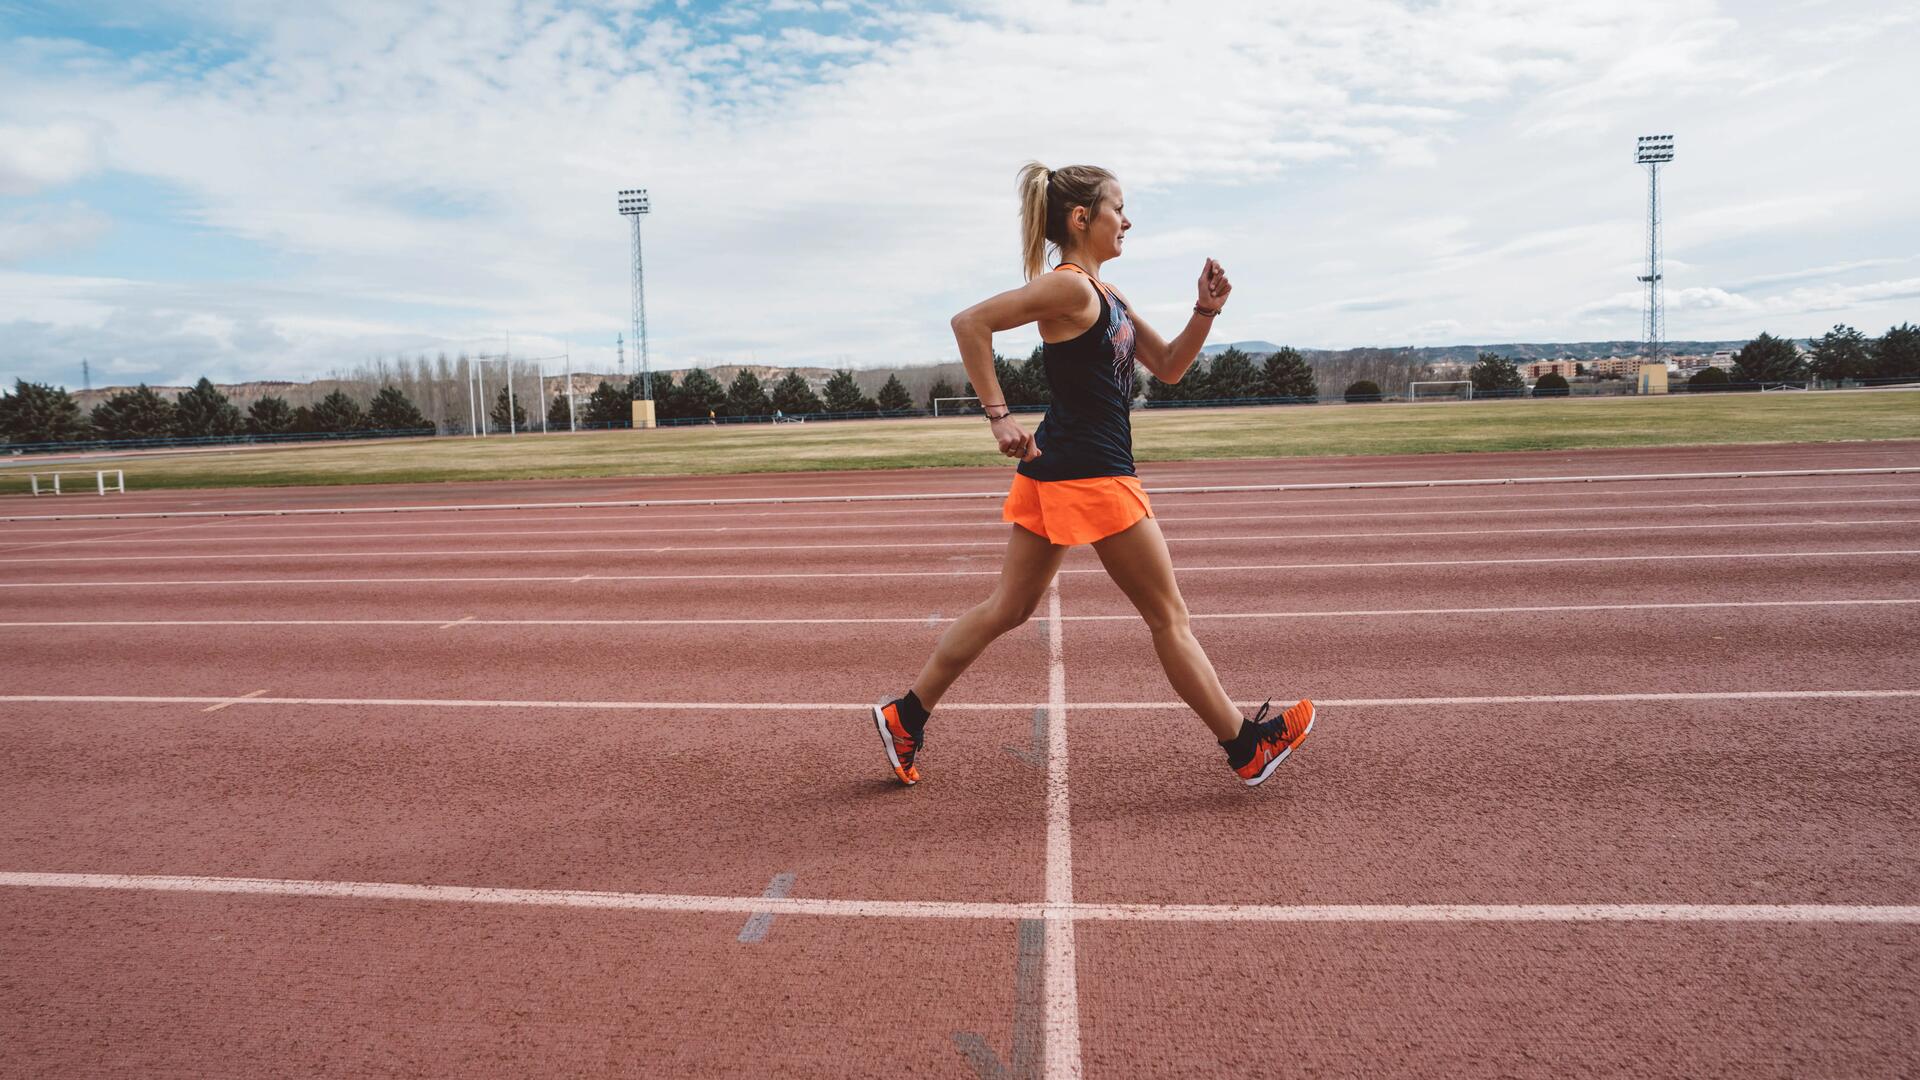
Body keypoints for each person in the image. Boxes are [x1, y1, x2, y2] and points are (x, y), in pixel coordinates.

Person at [871, 162, 1315, 788]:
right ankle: (1246, 747)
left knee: (1009, 607)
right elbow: (970, 323)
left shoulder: (1111, 297)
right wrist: (998, 418)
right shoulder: (1071, 288)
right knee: (1169, 618)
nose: (1127, 220)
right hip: (1093, 477)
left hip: (1060, 468)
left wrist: (1204, 311)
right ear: (1083, 219)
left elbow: (1167, 367)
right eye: (1118, 208)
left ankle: (905, 715)